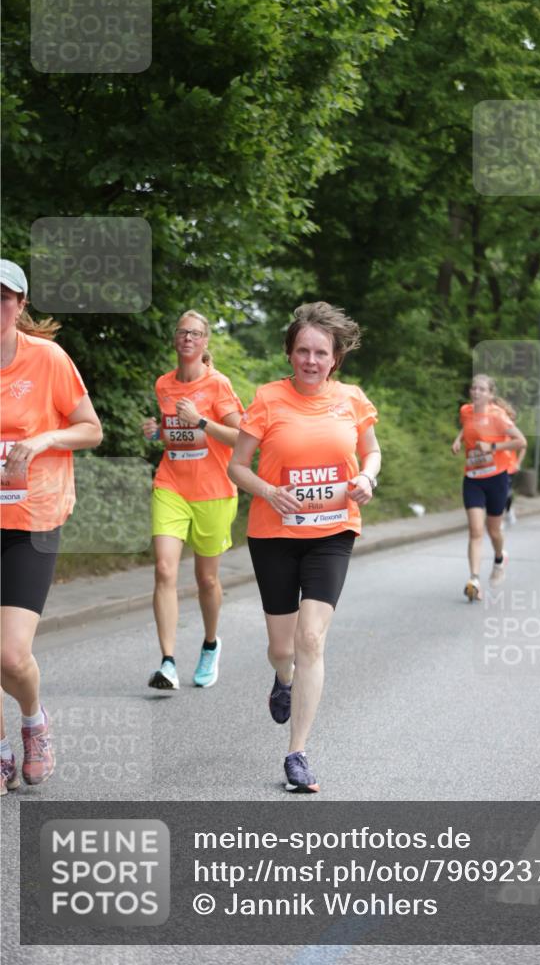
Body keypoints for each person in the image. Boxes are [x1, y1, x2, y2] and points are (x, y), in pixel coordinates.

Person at [228, 302, 380, 793]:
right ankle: (283, 678)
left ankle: (297, 753)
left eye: (321, 353)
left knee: (311, 638)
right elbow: (238, 466)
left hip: (333, 531)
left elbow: (372, 450)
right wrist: (268, 491)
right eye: (302, 352)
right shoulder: (268, 400)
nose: (311, 361)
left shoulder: (352, 400)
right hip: (274, 535)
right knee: (281, 647)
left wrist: (366, 476)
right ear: (290, 354)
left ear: (335, 358)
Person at [1, 259, 103, 796]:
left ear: (20, 305)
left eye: (3, 298)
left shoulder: (49, 360)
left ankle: (34, 721)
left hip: (31, 518)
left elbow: (91, 429)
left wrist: (42, 440)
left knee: (11, 653)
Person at [142, 310, 242, 691]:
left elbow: (240, 437)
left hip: (213, 491)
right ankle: (167, 662)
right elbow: (175, 437)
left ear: (205, 343)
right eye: (182, 331)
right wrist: (157, 433)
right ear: (175, 338)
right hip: (171, 486)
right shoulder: (164, 385)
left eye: (195, 333)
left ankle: (210, 644)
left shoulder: (218, 385)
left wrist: (201, 420)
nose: (187, 338)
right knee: (165, 570)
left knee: (206, 578)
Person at [451, 375, 527, 601]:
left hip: (496, 478)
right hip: (473, 478)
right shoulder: (466, 410)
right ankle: (474, 579)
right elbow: (467, 427)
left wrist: (493, 446)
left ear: (490, 394)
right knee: (475, 530)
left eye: (481, 389)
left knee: (494, 530)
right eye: (473, 388)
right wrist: (458, 439)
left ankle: (499, 557)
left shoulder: (498, 416)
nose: (476, 392)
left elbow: (521, 441)